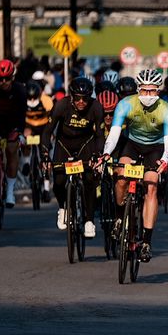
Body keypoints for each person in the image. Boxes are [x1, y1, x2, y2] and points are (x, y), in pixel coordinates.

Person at [102, 69, 168, 262]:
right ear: (138, 89)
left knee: (151, 185)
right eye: (144, 90)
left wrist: (165, 159)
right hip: (132, 144)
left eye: (152, 91)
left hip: (156, 147)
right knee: (121, 177)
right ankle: (119, 217)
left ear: (158, 91)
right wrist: (106, 153)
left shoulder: (166, 109)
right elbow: (114, 133)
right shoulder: (126, 104)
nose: (147, 95)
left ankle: (146, 242)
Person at [47, 77, 106, 238]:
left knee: (89, 180)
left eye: (85, 98)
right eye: (77, 98)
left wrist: (97, 155)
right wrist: (45, 154)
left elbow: (100, 135)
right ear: (71, 96)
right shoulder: (61, 105)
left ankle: (89, 221)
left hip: (85, 144)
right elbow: (48, 131)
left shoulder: (96, 107)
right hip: (64, 144)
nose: (81, 102)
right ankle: (62, 208)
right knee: (59, 181)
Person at [0, 59, 27, 207]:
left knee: (12, 150)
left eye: (6, 79)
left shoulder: (20, 90)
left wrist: (20, 133)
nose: (3, 82)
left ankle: (10, 192)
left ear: (12, 77)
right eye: (0, 79)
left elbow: (22, 114)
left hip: (12, 125)